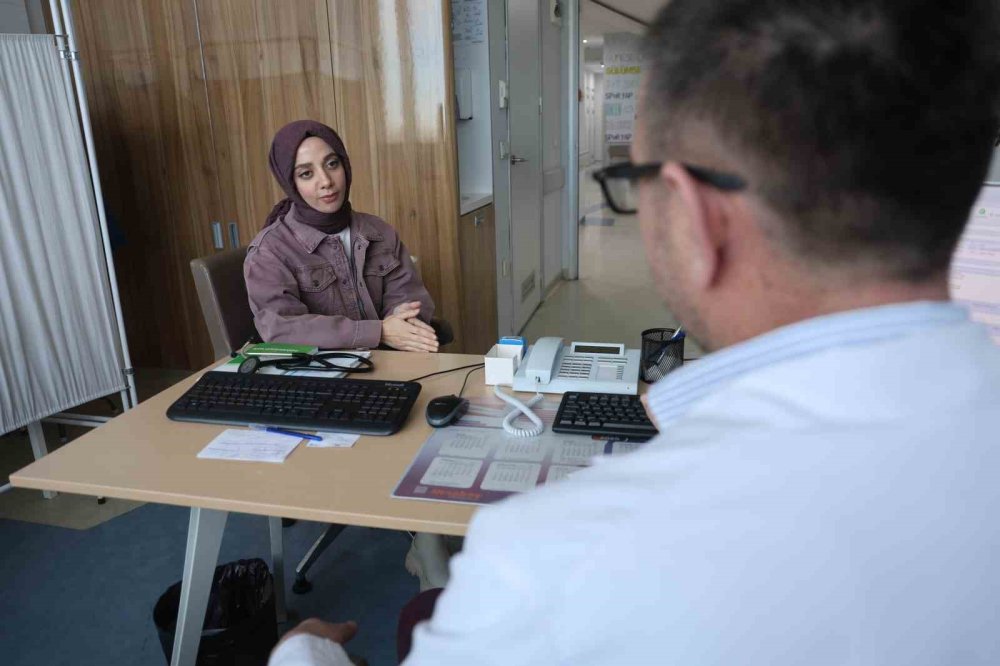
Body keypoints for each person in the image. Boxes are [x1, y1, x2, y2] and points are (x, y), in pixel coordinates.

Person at [270, 1, 1000, 664]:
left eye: (634, 182)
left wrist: (301, 655)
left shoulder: (551, 555)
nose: (325, 180)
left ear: (696, 216)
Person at [245, 120, 439, 353]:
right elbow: (283, 328)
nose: (326, 181)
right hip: (321, 371)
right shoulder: (269, 251)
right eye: (306, 174)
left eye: (332, 164)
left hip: (393, 361)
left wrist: (403, 318)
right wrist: (379, 332)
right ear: (290, 183)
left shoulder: (380, 232)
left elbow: (411, 298)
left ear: (345, 166)